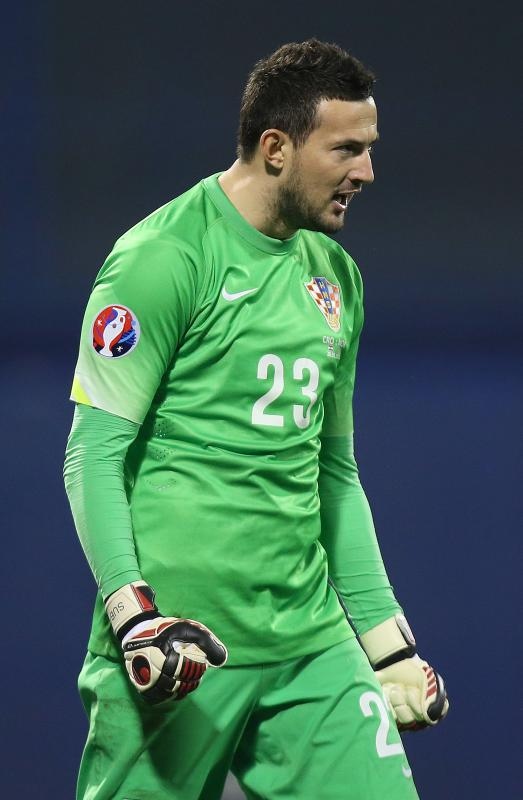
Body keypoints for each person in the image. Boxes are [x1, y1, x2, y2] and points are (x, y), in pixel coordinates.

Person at [64, 38, 448, 800]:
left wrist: (385, 644)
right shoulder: (162, 258)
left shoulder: (335, 276)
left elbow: (332, 476)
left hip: (310, 646)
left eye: (368, 150)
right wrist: (135, 617)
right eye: (345, 149)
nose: (365, 173)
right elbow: (92, 458)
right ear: (276, 148)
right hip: (180, 647)